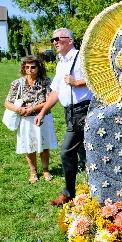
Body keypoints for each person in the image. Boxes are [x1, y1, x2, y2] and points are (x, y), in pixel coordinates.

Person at [34, 28, 93, 206]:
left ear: (69, 40)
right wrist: (42, 112)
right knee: (86, 155)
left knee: (67, 152)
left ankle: (69, 193)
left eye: (57, 39)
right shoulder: (61, 64)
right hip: (70, 113)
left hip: (84, 111)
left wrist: (77, 82)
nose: (54, 42)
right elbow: (55, 92)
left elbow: (100, 78)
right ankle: (95, 190)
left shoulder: (82, 57)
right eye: (52, 40)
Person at [4, 56, 58, 183]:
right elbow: (7, 102)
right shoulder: (18, 83)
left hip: (42, 117)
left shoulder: (45, 82)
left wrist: (32, 108)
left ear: (39, 68)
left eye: (33, 67)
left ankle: (45, 170)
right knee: (29, 146)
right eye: (27, 67)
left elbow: (49, 100)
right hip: (25, 119)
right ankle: (33, 172)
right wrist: (19, 109)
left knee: (44, 145)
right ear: (23, 68)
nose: (30, 69)